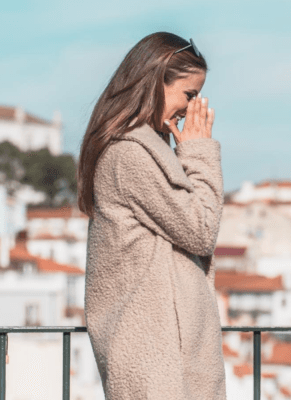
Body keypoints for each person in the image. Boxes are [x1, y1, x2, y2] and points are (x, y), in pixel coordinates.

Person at [77, 32, 226, 399]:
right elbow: (200, 229)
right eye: (189, 94)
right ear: (155, 80)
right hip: (154, 362)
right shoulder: (130, 154)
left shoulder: (146, 149)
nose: (191, 108)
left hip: (161, 356)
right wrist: (199, 152)